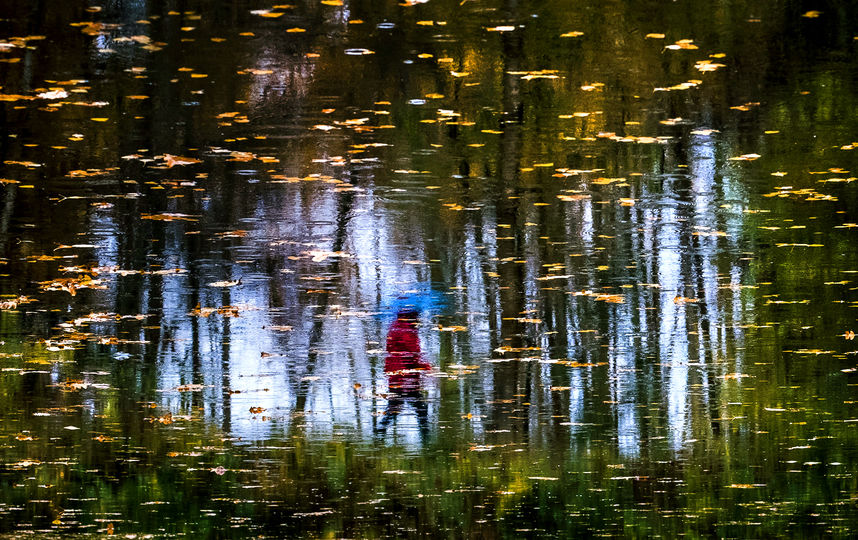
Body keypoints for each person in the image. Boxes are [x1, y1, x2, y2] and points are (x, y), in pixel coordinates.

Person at [376, 308, 431, 439]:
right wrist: (425, 366)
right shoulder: (408, 330)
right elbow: (411, 354)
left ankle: (380, 433)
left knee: (395, 406)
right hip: (406, 377)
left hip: (395, 375)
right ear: (413, 315)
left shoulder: (395, 326)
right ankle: (426, 440)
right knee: (420, 407)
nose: (419, 318)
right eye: (418, 315)